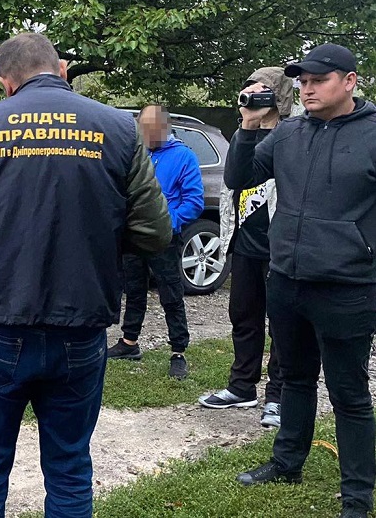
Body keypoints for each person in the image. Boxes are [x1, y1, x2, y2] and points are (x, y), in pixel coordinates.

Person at [0, 32, 171, 518]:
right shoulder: (117, 129)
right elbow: (155, 233)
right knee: (69, 468)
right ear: (61, 69)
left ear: (4, 83)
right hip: (80, 326)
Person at [226, 44, 376, 518]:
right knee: (294, 377)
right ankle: (287, 461)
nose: (307, 88)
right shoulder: (288, 132)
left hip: (348, 286)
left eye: (319, 80)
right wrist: (249, 126)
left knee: (348, 392)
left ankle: (357, 495)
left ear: (349, 81)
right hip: (287, 279)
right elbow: (240, 176)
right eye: (302, 81)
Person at [199, 67, 291, 428]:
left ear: (278, 97)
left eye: (262, 90)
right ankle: (242, 387)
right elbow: (235, 179)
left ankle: (279, 396)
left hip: (281, 248)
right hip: (246, 246)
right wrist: (247, 126)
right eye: (249, 89)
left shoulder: (291, 135)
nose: (252, 95)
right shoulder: (244, 133)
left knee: (282, 325)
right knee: (243, 317)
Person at [107, 105, 203, 379]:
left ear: (164, 127)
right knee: (134, 290)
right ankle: (129, 343)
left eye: (150, 129)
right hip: (134, 235)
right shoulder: (136, 154)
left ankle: (178, 351)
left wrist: (166, 224)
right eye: (141, 128)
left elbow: (193, 201)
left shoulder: (184, 156)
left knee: (171, 294)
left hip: (164, 238)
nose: (145, 134)